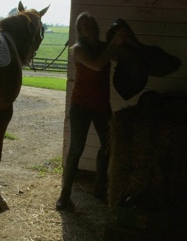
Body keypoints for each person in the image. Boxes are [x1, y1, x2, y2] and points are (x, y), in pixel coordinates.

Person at [56, 12, 137, 211]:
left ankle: (99, 188)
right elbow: (98, 65)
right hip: (81, 106)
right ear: (79, 30)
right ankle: (64, 195)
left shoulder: (104, 47)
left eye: (91, 24)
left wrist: (124, 41)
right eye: (84, 25)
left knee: (108, 145)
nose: (88, 27)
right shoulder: (78, 50)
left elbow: (123, 58)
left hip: (101, 105)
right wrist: (114, 43)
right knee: (76, 148)